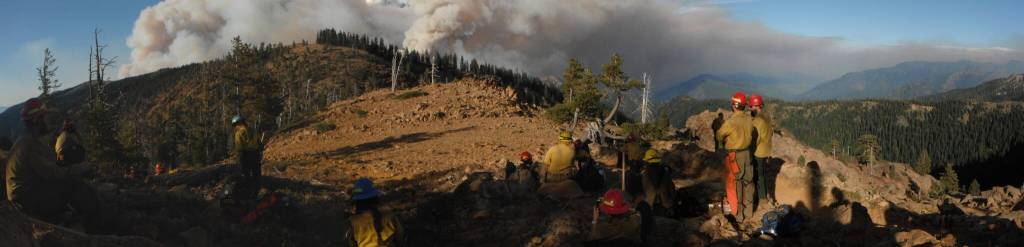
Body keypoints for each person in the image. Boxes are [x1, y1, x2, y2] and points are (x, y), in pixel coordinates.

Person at [5, 98, 105, 228]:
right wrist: (80, 168)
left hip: (23, 196)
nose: (48, 120)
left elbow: (47, 166)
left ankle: (79, 217)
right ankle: (98, 225)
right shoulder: (29, 144)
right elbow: (53, 173)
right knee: (72, 184)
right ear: (37, 120)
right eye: (45, 117)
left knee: (67, 182)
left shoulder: (26, 141)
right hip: (25, 202)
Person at [716, 92, 756, 222]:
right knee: (748, 182)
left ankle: (738, 215)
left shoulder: (731, 122)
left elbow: (719, 135)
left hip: (735, 156)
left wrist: (726, 139)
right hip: (747, 154)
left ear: (734, 105)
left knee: (736, 183)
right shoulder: (749, 119)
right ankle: (749, 212)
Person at [345, 178, 406, 247]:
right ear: (376, 198)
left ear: (357, 202)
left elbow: (351, 243)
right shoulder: (391, 217)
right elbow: (401, 238)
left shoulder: (352, 222)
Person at [749, 94, 776, 206]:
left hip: (758, 152)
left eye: (751, 107)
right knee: (763, 174)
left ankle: (762, 198)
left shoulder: (757, 121)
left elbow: (756, 138)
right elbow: (771, 132)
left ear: (756, 106)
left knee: (758, 175)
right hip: (766, 150)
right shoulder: (766, 117)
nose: (749, 109)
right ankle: (765, 196)